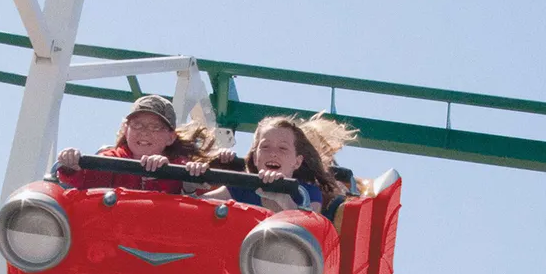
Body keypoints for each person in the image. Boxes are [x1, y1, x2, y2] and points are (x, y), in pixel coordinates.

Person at [56, 95, 220, 193]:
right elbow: (81, 179)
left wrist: (180, 175)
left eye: (155, 127)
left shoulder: (181, 167)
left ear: (170, 138)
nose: (144, 132)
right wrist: (71, 165)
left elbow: (204, 201)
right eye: (137, 125)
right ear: (125, 129)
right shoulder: (110, 161)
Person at [187, 115, 343, 213]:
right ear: (255, 158)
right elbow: (193, 206)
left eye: (283, 148)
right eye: (265, 147)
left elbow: (311, 229)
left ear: (297, 162)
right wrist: (190, 187)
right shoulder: (241, 187)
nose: (273, 153)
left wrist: (282, 200)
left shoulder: (306, 193)